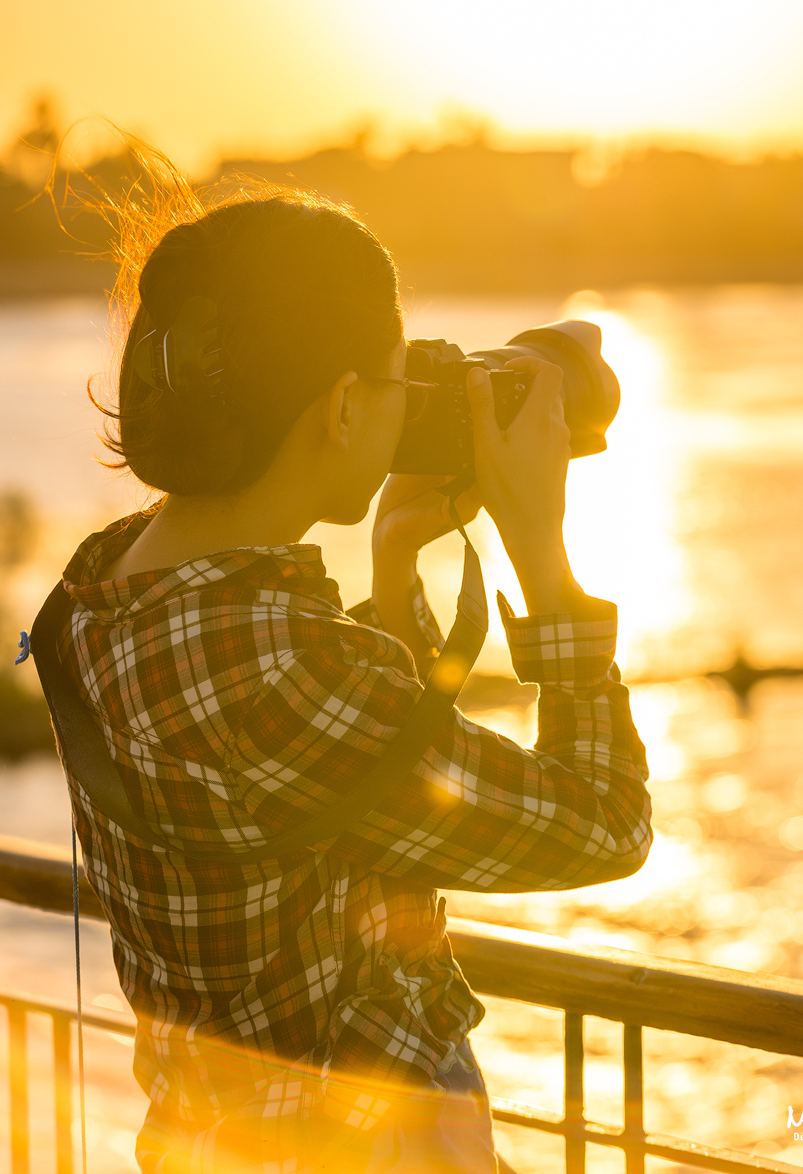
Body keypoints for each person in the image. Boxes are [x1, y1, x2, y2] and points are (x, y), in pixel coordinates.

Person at [56, 181, 652, 1172]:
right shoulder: (278, 664)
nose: (399, 409)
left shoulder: (100, 593)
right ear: (338, 404)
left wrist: (393, 563)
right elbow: (604, 822)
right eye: (388, 383)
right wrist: (543, 556)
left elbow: (335, 791)